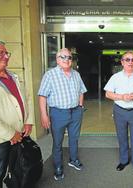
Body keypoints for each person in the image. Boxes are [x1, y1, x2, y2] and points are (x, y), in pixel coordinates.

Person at [0, 40, 32, 188]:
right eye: (0, 52)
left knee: (17, 167)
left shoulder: (13, 76)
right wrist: (10, 133)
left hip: (19, 133)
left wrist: (28, 121)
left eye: (6, 53)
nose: (6, 56)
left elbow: (26, 98)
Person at [38, 48, 87, 181]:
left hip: (76, 112)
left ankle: (73, 159)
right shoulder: (50, 75)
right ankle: (58, 167)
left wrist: (81, 106)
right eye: (63, 57)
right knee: (57, 142)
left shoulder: (76, 74)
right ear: (57, 59)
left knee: (74, 138)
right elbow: (42, 96)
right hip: (58, 113)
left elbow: (81, 90)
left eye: (69, 57)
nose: (66, 60)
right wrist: (44, 115)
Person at [104, 51, 133, 179]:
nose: (130, 62)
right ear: (122, 62)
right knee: (122, 137)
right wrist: (122, 97)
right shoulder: (116, 77)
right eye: (127, 59)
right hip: (119, 110)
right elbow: (108, 94)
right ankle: (124, 161)